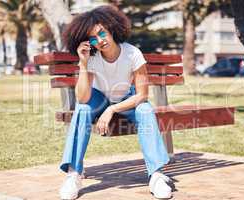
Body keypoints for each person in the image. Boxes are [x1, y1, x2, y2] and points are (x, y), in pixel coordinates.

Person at [59, 5, 174, 200]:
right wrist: (84, 64)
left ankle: (156, 176)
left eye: (102, 33)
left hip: (125, 99)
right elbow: (83, 97)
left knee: (145, 109)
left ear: (111, 28)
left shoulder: (133, 54)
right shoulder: (91, 58)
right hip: (99, 98)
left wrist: (111, 109)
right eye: (94, 38)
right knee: (82, 109)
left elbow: (142, 95)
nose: (100, 40)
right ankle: (74, 174)